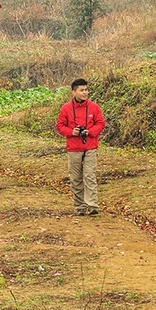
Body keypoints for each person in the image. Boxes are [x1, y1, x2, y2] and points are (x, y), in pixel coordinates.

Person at [56, 78, 106, 216]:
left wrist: (90, 132)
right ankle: (80, 207)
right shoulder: (66, 108)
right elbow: (60, 126)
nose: (85, 93)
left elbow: (101, 123)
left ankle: (92, 205)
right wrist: (71, 132)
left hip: (90, 146)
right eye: (82, 90)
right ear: (74, 92)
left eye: (86, 90)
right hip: (73, 147)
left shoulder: (94, 107)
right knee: (76, 178)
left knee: (90, 175)